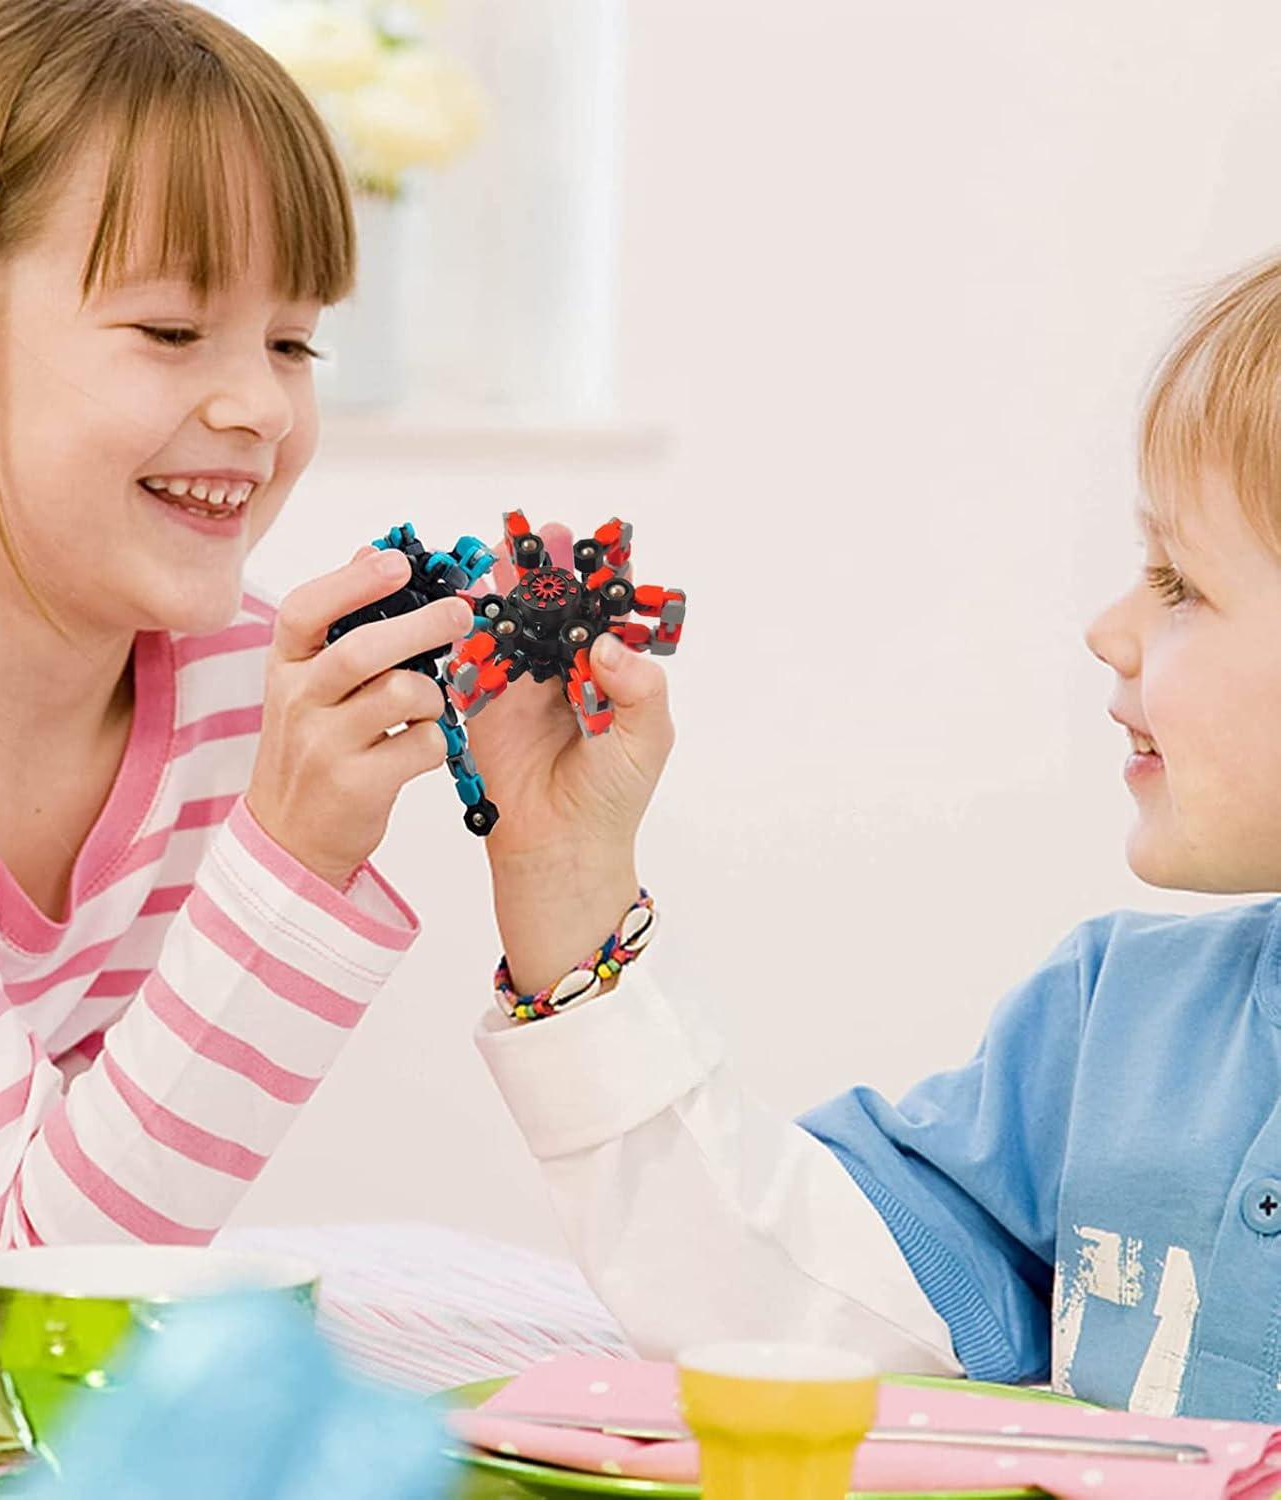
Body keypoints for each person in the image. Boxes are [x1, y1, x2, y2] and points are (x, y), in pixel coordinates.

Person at [469, 254, 1281, 1420]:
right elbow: (796, 1301)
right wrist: (564, 874)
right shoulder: (1110, 1025)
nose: (1110, 628)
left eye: (1179, 582)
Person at [0, 0, 472, 1294]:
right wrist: (295, 858)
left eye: (291, 341)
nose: (260, 406)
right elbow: (45, 1273)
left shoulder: (229, 687)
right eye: (170, 333)